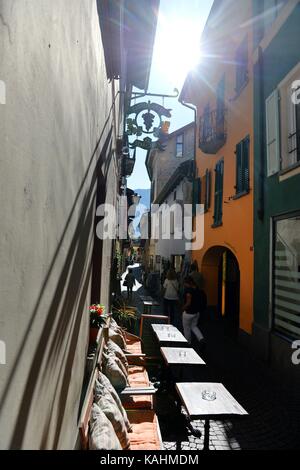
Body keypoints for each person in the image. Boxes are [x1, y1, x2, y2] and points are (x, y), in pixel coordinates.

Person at [182, 276, 205, 345]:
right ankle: (201, 339)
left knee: (186, 329)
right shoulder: (197, 288)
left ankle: (188, 343)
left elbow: (188, 302)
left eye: (185, 283)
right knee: (194, 326)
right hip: (196, 312)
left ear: (187, 283)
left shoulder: (189, 290)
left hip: (188, 313)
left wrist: (183, 307)